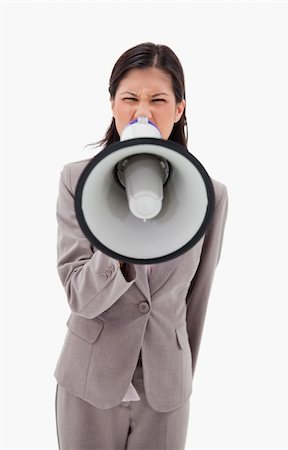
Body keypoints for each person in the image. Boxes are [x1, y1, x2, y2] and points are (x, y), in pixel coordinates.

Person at [54, 42, 228, 450]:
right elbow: (79, 295)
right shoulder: (77, 182)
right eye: (130, 98)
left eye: (158, 100)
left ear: (180, 109)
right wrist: (119, 234)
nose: (143, 112)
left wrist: (179, 375)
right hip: (89, 383)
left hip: (166, 391)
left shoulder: (210, 195)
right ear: (112, 104)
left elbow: (196, 302)